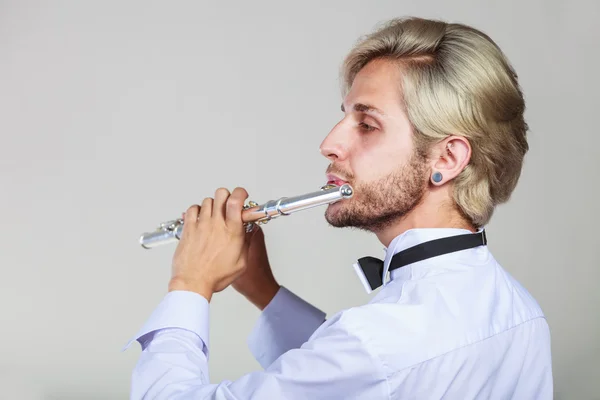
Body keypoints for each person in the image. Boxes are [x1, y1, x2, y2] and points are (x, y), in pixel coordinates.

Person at [123, 16, 553, 399]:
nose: (329, 144)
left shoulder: (376, 343)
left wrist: (189, 282)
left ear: (446, 159)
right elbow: (369, 378)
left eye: (367, 125)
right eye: (344, 117)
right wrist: (261, 288)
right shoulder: (522, 310)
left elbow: (372, 362)